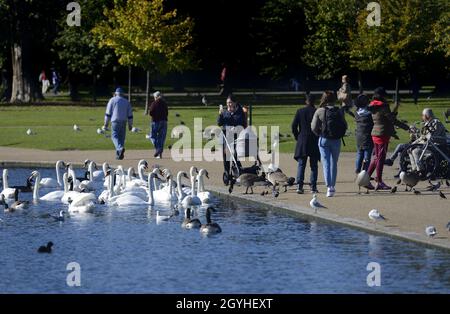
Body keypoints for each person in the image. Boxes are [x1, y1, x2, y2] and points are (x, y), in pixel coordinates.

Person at [367, 87, 409, 190]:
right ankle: (379, 181)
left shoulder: (373, 105)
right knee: (380, 158)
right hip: (382, 134)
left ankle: (366, 178)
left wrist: (395, 108)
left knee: (377, 157)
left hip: (375, 133)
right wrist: (407, 127)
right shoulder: (383, 106)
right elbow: (392, 120)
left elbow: (386, 118)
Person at [311, 91, 347, 197]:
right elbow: (345, 125)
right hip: (336, 139)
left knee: (325, 163)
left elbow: (313, 127)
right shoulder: (340, 111)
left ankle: (329, 187)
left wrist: (320, 134)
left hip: (324, 139)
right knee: (334, 163)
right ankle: (333, 186)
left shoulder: (320, 111)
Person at [291, 94, 320, 194]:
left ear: (306, 101)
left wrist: (297, 136)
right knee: (314, 165)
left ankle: (299, 185)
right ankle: (313, 186)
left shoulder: (300, 111)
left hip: (302, 138)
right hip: (314, 139)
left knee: (301, 164)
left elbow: (294, 126)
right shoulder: (317, 111)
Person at [408, 108, 447, 173]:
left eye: (423, 115)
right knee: (410, 149)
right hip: (431, 145)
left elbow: (432, 138)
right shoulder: (428, 123)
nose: (422, 117)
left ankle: (421, 171)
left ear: (426, 116)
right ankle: (415, 169)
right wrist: (413, 144)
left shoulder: (436, 122)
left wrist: (420, 143)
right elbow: (423, 137)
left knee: (416, 151)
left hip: (438, 146)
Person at [217, 95, 246, 182]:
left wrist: (233, 126)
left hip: (237, 135)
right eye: (227, 103)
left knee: (233, 152)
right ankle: (227, 171)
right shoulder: (225, 112)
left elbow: (239, 122)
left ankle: (237, 168)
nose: (228, 105)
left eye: (230, 103)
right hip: (226, 136)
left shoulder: (239, 111)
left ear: (235, 103)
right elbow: (219, 123)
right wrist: (221, 114)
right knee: (226, 153)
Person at [103, 87, 133, 160]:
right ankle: (119, 155)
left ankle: (120, 149)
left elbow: (108, 113)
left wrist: (106, 123)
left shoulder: (112, 100)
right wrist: (130, 125)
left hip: (115, 121)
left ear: (115, 93)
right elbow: (130, 115)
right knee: (121, 138)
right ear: (122, 94)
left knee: (114, 137)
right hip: (124, 122)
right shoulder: (127, 102)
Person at [354, 94, 374, 179]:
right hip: (367, 136)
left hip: (359, 135)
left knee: (359, 153)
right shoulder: (369, 114)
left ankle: (357, 170)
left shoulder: (356, 113)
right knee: (367, 156)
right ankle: (365, 172)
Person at [146, 91, 168, 159]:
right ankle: (160, 153)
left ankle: (158, 149)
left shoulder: (154, 103)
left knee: (152, 136)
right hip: (164, 122)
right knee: (161, 138)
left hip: (155, 122)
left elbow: (151, 112)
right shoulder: (164, 103)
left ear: (155, 97)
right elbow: (167, 112)